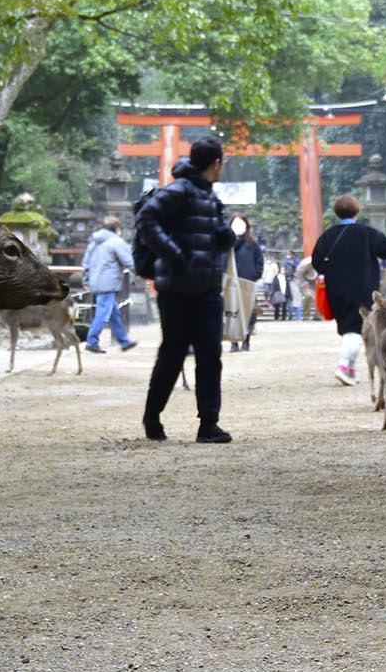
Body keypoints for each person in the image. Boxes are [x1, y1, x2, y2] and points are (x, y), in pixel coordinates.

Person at [136, 136, 237, 443]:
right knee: (173, 354)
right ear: (216, 163)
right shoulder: (179, 189)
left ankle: (209, 424)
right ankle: (152, 419)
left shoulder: (209, 195)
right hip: (177, 288)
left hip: (207, 288)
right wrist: (175, 255)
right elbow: (146, 219)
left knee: (210, 356)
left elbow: (205, 233)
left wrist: (224, 236)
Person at [310, 194, 386, 385]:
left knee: (347, 328)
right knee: (355, 329)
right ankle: (343, 365)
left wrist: (332, 272)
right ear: (357, 211)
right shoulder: (367, 233)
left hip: (336, 289)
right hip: (363, 288)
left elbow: (316, 261)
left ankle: (350, 370)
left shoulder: (328, 236)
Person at [80, 215, 138, 354]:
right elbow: (129, 261)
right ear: (116, 228)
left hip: (96, 281)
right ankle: (92, 341)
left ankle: (124, 341)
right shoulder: (116, 242)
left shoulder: (94, 242)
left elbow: (86, 263)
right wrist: (144, 272)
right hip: (108, 282)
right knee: (102, 313)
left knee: (113, 313)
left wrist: (85, 280)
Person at [229, 215, 265, 352]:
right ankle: (233, 342)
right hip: (231, 283)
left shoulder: (252, 244)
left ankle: (246, 340)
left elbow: (259, 261)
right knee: (232, 312)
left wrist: (255, 274)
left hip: (248, 282)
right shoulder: (228, 244)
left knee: (249, 313)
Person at [295, 255, 319, 320]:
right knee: (308, 295)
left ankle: (317, 316)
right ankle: (306, 315)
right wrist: (304, 282)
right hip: (304, 280)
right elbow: (299, 272)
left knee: (320, 297)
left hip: (315, 281)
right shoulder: (307, 262)